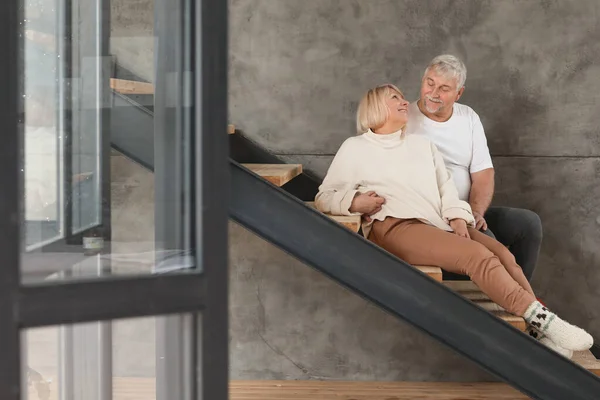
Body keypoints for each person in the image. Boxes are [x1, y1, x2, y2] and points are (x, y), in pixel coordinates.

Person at [314, 83, 592, 358]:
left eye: (402, 96)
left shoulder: (422, 146)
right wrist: (355, 202)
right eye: (395, 97)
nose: (403, 101)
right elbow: (324, 196)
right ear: (376, 107)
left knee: (504, 255)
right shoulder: (356, 147)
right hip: (393, 225)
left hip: (436, 223)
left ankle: (539, 331)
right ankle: (548, 323)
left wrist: (459, 219)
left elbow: (446, 190)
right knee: (478, 257)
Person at [403, 54, 542, 282]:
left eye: (444, 88)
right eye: (430, 83)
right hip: (434, 219)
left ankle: (514, 306)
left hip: (468, 213)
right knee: (491, 246)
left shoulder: (468, 117)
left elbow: (484, 173)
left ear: (459, 93)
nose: (433, 93)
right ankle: (516, 300)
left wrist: (476, 212)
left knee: (528, 224)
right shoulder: (404, 118)